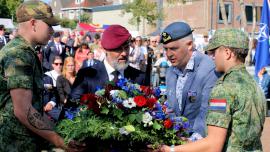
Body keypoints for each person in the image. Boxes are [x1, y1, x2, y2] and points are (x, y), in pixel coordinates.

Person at [160, 28, 266, 152]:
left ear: (227, 53)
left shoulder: (223, 88)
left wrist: (172, 150)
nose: (212, 57)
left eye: (214, 52)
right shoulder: (254, 84)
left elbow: (213, 145)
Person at [0, 1, 85, 151]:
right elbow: (23, 110)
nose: (53, 30)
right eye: (49, 25)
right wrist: (58, 140)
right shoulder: (19, 54)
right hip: (15, 146)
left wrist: (61, 135)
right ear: (33, 23)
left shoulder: (25, 52)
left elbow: (35, 109)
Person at [160, 22, 219, 139]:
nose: (168, 54)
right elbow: (172, 109)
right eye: (166, 49)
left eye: (173, 49)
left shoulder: (209, 69)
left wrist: (192, 142)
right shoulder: (171, 71)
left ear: (189, 45)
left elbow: (207, 112)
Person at [70, 25, 148, 100]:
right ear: (105, 49)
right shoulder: (87, 76)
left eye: (126, 47)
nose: (124, 53)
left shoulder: (139, 77)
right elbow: (70, 109)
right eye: (118, 49)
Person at [43, 56, 63, 121]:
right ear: (53, 65)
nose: (59, 66)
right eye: (56, 64)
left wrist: (51, 103)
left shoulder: (65, 75)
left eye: (61, 64)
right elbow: (47, 93)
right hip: (50, 104)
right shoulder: (47, 76)